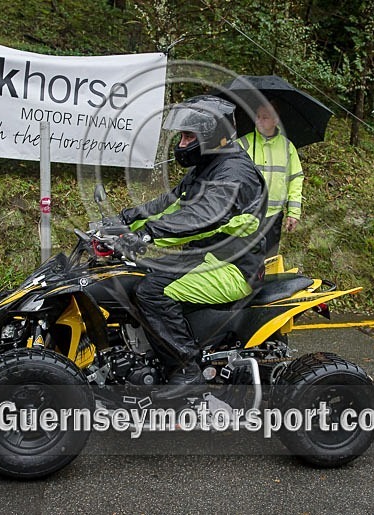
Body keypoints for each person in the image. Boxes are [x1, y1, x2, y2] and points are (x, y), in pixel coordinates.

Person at [112, 95, 268, 399]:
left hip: (232, 267)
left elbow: (204, 216)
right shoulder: (209, 164)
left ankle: (186, 370)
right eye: (181, 136)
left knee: (151, 292)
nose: (182, 144)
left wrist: (147, 235)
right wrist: (124, 219)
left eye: (188, 137)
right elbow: (171, 204)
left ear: (211, 135)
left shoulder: (234, 173)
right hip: (204, 257)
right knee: (134, 274)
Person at [237, 102, 303, 257]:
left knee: (269, 260)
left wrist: (293, 212)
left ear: (275, 120)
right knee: (244, 261)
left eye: (265, 117)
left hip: (273, 217)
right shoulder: (242, 144)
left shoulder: (287, 147)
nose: (259, 120)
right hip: (246, 215)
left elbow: (295, 179)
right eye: (257, 116)